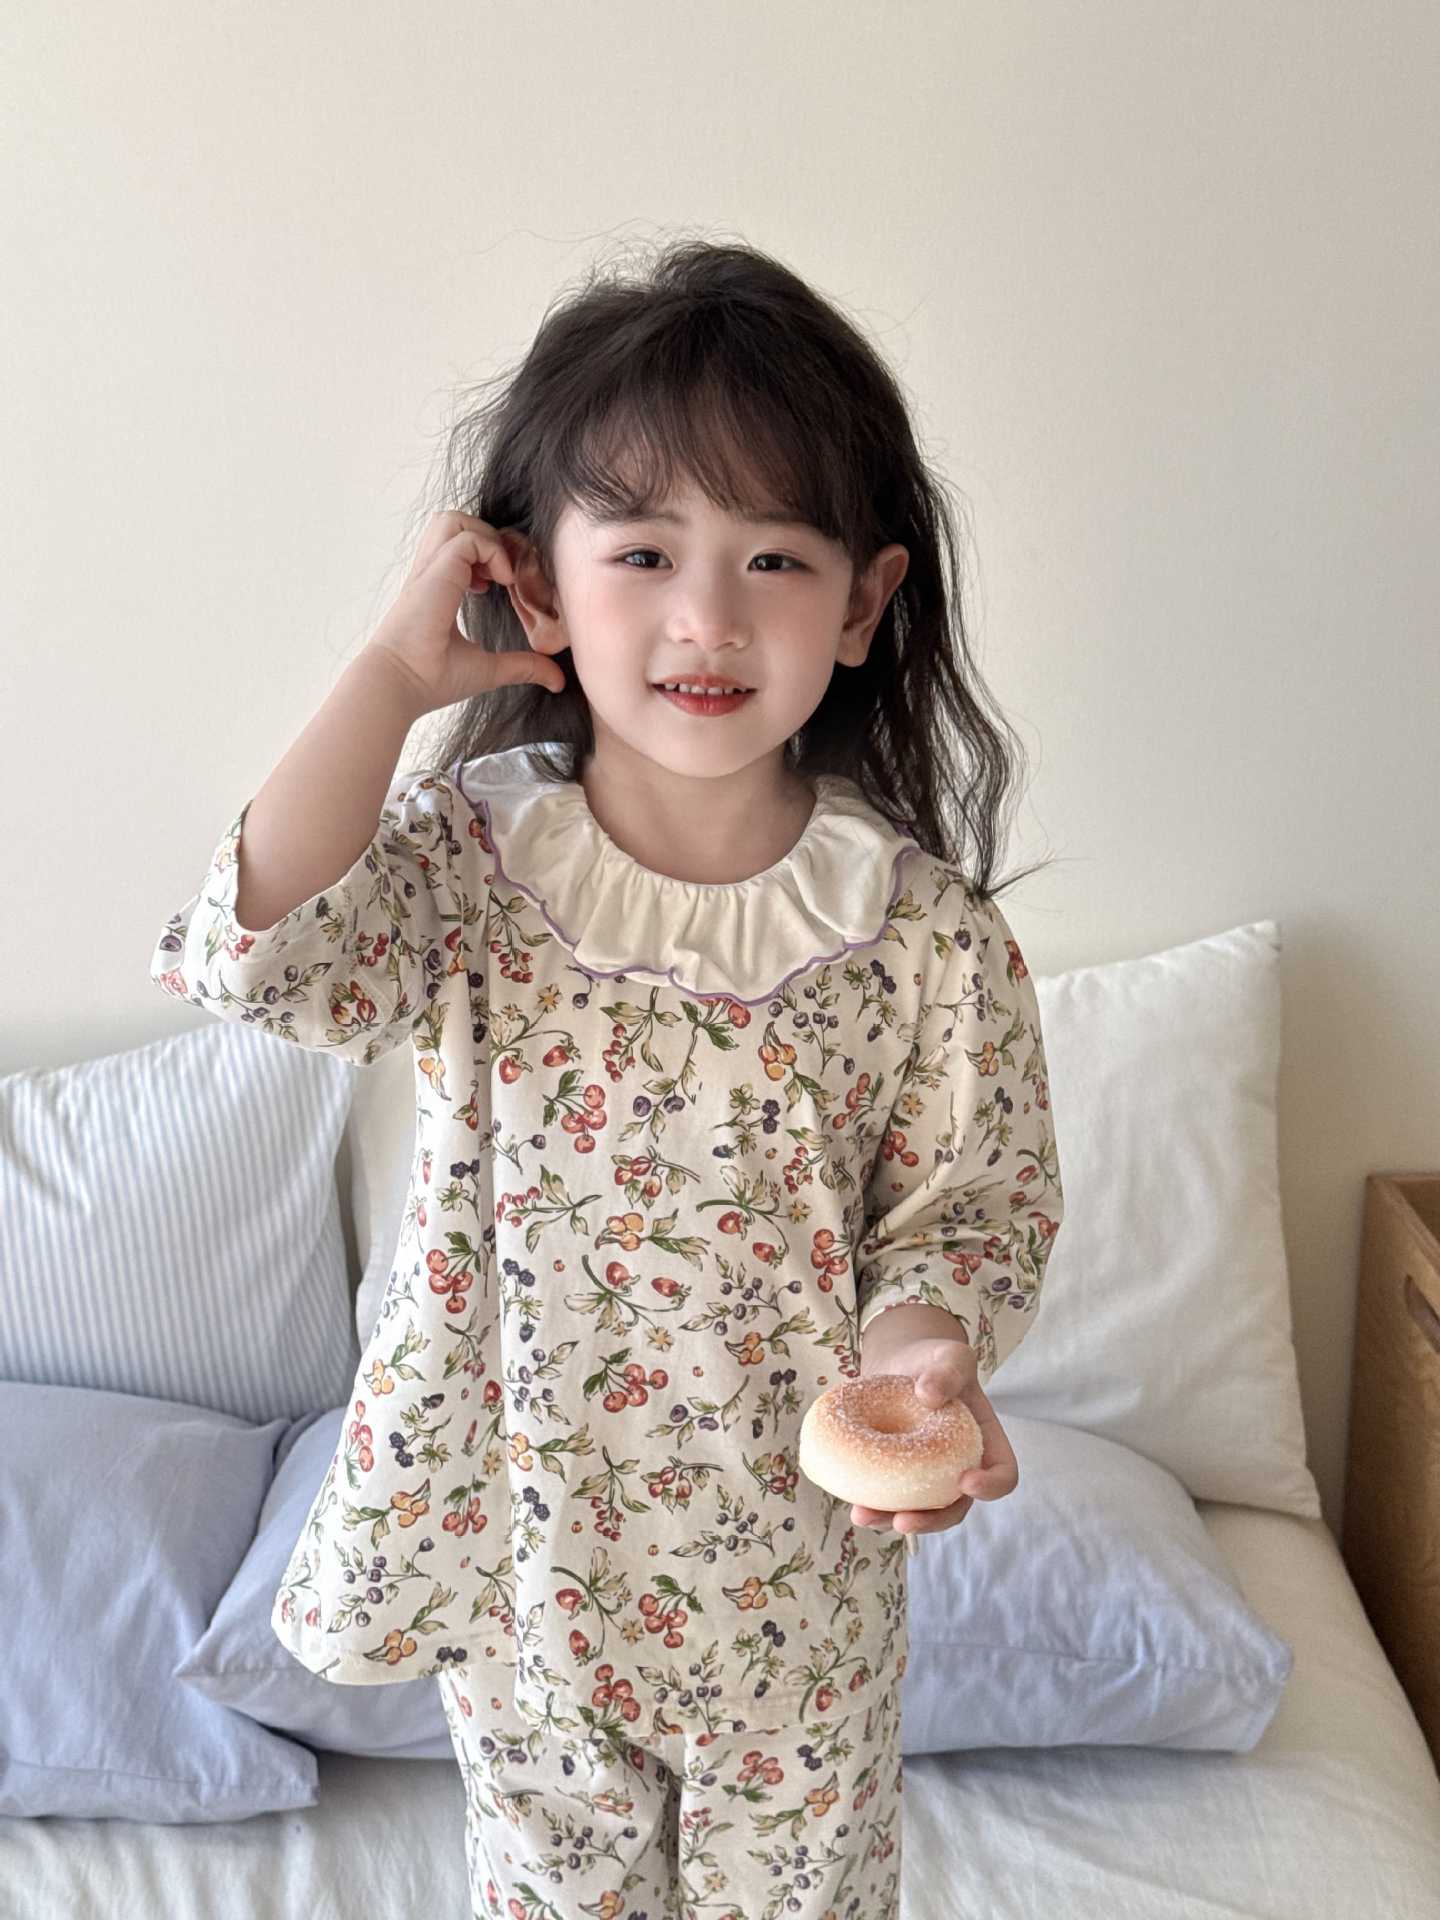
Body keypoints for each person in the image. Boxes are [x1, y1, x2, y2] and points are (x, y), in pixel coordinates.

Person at [149, 237, 1065, 1920]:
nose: (708, 617)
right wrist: (388, 677)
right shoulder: (469, 865)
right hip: (529, 1576)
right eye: (643, 551)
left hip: (800, 1593)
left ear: (865, 602)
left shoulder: (924, 937)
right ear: (537, 583)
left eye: (775, 557)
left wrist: (922, 1358)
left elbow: (968, 1211)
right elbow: (254, 957)